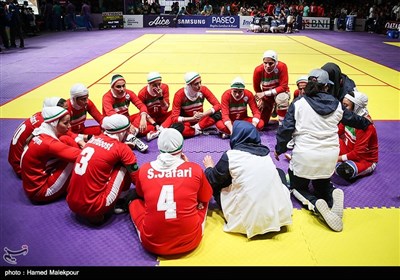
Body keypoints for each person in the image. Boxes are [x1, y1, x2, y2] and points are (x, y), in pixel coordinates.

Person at [274, 69, 345, 232]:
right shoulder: (337, 104)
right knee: (322, 183)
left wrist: (279, 149)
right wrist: (365, 123)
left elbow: (286, 129)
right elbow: (351, 118)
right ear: (326, 87)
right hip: (330, 156)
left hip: (305, 156)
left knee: (296, 187)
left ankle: (315, 204)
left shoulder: (298, 103)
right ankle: (332, 194)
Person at [129, 128, 213, 255]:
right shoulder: (194, 169)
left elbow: (141, 195)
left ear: (159, 146)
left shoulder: (145, 169)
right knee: (203, 199)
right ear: (182, 148)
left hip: (153, 244)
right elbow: (206, 197)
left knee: (134, 201)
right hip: (190, 241)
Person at [203, 120, 293, 238]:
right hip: (280, 216)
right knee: (279, 172)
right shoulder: (265, 153)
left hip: (246, 223)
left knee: (218, 183)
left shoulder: (231, 156)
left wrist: (209, 167)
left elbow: (212, 179)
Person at [67, 114, 140, 225]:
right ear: (121, 132)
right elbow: (136, 178)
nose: (128, 133)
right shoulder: (122, 148)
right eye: (127, 131)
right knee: (124, 166)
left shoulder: (93, 139)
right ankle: (121, 202)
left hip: (71, 203)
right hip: (95, 206)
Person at [20, 106, 82, 203]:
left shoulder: (41, 131)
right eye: (66, 123)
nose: (69, 126)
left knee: (65, 139)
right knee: (80, 160)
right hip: (41, 192)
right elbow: (83, 155)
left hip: (30, 184)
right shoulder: (49, 143)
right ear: (54, 123)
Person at [8, 97, 67, 178]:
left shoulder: (40, 115)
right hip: (21, 167)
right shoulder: (44, 124)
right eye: (63, 110)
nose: (66, 113)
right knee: (65, 158)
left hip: (15, 159)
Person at [335, 91, 378, 181]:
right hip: (348, 150)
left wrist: (336, 158)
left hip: (363, 159)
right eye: (343, 105)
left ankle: (334, 165)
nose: (343, 109)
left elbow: (357, 154)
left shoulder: (365, 126)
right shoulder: (348, 117)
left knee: (345, 171)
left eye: (346, 106)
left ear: (356, 107)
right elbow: (337, 132)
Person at [102, 74, 148, 152]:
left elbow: (142, 106)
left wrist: (143, 118)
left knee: (143, 115)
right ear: (112, 87)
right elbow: (112, 115)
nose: (122, 89)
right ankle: (129, 137)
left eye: (123, 86)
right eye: (118, 87)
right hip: (114, 126)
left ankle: (127, 137)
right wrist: (129, 126)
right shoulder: (107, 97)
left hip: (127, 123)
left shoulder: (128, 93)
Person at [170, 72, 222, 138]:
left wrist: (203, 114)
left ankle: (196, 128)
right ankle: (197, 130)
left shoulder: (203, 89)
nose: (200, 85)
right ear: (189, 85)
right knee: (176, 128)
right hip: (187, 121)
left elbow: (218, 105)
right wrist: (192, 118)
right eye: (196, 84)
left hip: (200, 119)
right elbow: (174, 118)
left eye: (200, 82)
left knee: (218, 114)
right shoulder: (179, 95)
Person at [253, 50, 290, 127]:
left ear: (276, 62)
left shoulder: (282, 67)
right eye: (265, 63)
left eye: (271, 63)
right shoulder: (258, 70)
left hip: (280, 93)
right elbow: (256, 87)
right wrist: (262, 100)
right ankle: (274, 107)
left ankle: (281, 126)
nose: (267, 66)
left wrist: (264, 93)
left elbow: (283, 87)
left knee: (282, 99)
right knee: (261, 124)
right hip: (267, 96)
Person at [137, 72, 172, 142]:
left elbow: (165, 108)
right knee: (139, 126)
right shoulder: (142, 94)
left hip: (162, 116)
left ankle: (158, 131)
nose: (158, 87)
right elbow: (144, 112)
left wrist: (161, 97)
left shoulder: (164, 88)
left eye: (159, 84)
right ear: (149, 84)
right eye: (155, 85)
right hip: (150, 119)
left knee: (175, 113)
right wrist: (155, 124)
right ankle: (162, 128)